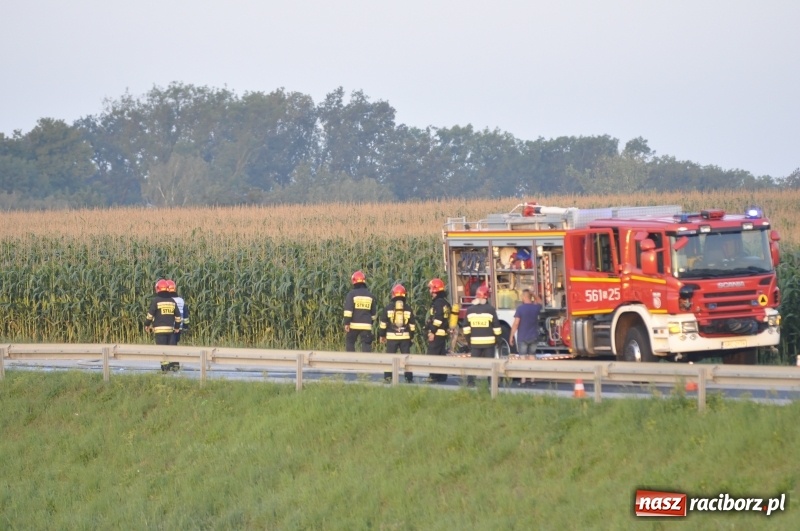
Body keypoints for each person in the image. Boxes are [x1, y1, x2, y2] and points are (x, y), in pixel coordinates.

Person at [463, 284, 501, 386]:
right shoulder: (491, 310)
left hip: (475, 343)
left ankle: (470, 382)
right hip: (489, 343)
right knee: (491, 364)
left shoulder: (470, 310)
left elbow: (466, 329)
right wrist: (499, 341)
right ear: (487, 297)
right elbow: (497, 328)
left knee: (474, 364)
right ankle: (492, 383)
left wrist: (469, 341)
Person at [379, 284, 416, 383]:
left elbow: (383, 324)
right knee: (406, 358)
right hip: (405, 337)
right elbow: (412, 325)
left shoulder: (388, 308)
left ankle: (388, 377)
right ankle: (409, 378)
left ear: (393, 295)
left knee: (390, 358)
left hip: (391, 337)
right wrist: (411, 336)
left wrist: (382, 335)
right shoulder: (408, 308)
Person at [144, 279, 182, 372]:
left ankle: (165, 369)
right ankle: (172, 366)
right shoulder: (172, 301)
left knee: (161, 349)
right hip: (170, 330)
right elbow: (178, 316)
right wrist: (177, 327)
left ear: (158, 289)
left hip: (159, 330)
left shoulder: (156, 300)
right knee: (170, 348)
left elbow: (150, 315)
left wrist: (146, 324)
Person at [424, 278, 452, 383]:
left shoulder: (438, 303)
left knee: (433, 354)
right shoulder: (444, 302)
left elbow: (438, 319)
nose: (429, 291)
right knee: (441, 355)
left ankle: (433, 376)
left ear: (434, 289)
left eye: (430, 288)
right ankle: (442, 376)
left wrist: (432, 331)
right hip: (442, 333)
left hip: (437, 333)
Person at [343, 270, 377, 352]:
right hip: (366, 325)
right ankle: (366, 362)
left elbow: (348, 310)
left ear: (353, 281)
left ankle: (351, 360)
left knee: (350, 342)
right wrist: (370, 322)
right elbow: (373, 314)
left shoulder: (351, 294)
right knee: (366, 343)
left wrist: (347, 323)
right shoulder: (370, 295)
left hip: (353, 325)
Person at [508, 289, 542, 355]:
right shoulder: (535, 308)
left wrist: (511, 336)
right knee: (532, 356)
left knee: (523, 358)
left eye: (522, 296)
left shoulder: (520, 309)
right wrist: (533, 294)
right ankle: (532, 366)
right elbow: (540, 302)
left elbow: (516, 323)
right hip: (533, 337)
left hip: (522, 338)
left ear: (524, 297)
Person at [166, 279, 190, 346]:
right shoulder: (181, 300)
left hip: (168, 327)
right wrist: (185, 326)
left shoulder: (166, 300)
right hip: (178, 328)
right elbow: (185, 316)